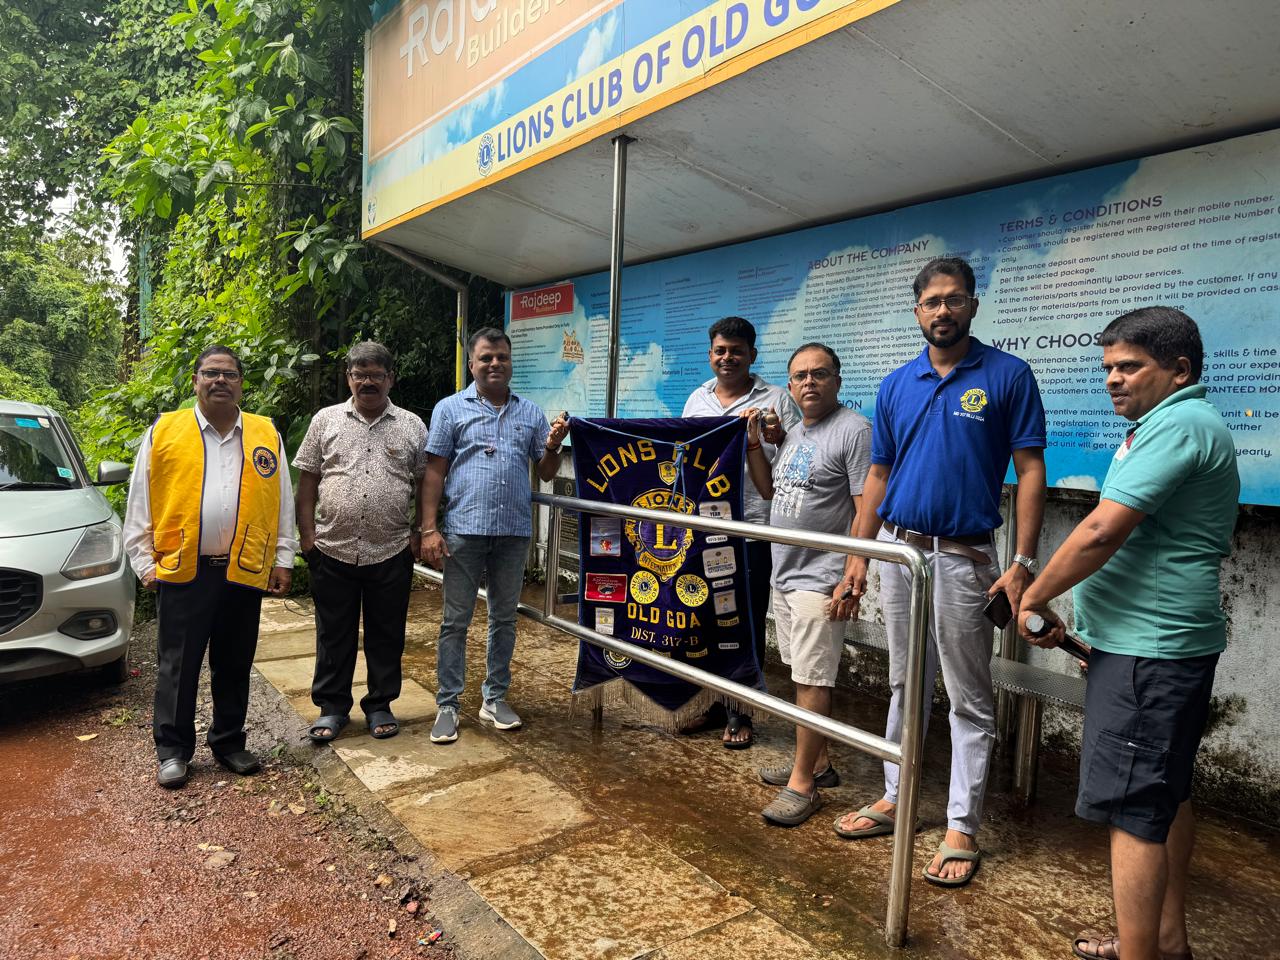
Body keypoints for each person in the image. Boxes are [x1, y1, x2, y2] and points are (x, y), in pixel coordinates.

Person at [1017, 308, 1237, 960]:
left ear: (1179, 370)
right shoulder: (1171, 424)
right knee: (1165, 795)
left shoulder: (1178, 424)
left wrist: (1034, 594)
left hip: (1151, 651)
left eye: (1130, 366)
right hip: (1146, 646)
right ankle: (1165, 941)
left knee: (1134, 810)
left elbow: (1100, 531)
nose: (1113, 379)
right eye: (1108, 367)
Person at [832, 257, 1047, 887]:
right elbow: (878, 474)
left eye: (954, 299)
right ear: (917, 310)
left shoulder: (1008, 374)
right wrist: (857, 557)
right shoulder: (898, 384)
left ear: (973, 304)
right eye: (932, 301)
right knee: (905, 681)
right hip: (901, 552)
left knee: (967, 695)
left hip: (963, 556)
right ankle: (895, 795)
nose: (943, 310)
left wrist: (1023, 563)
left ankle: (961, 826)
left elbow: (1030, 470)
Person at [124, 345, 297, 789]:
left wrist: (283, 557)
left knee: (235, 662)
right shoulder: (165, 430)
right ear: (196, 380)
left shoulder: (264, 432)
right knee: (177, 665)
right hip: (184, 570)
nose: (220, 380)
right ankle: (173, 750)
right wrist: (142, 560)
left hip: (244, 568)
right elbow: (141, 497)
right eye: (211, 373)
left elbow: (282, 500)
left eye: (229, 374)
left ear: (241, 383)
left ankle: (228, 742)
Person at [741, 342, 871, 826]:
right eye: (799, 376)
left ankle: (803, 784)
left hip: (822, 576)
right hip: (786, 572)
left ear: (837, 380)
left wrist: (853, 571)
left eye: (819, 373)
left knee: (814, 680)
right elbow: (769, 491)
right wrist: (755, 445)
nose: (809, 382)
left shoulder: (854, 430)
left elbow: (865, 507)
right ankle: (818, 763)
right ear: (790, 386)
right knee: (800, 673)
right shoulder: (795, 431)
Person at [419, 328, 568, 744]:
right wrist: (428, 528)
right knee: (455, 621)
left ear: (511, 361)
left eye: (502, 356)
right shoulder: (450, 409)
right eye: (486, 358)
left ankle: (495, 697)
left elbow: (546, 472)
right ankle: (448, 704)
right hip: (464, 531)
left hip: (513, 533)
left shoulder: (531, 413)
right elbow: (434, 472)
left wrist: (553, 445)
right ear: (472, 364)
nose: (495, 364)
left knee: (504, 618)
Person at [294, 342, 427, 743]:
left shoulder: (412, 426)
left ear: (391, 378)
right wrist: (307, 536)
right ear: (348, 378)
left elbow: (426, 483)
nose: (368, 382)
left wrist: (420, 531)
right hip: (332, 548)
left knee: (387, 633)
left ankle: (380, 704)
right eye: (360, 374)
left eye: (376, 374)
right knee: (334, 633)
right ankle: (332, 707)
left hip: (391, 549)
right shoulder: (325, 420)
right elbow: (308, 480)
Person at [680, 315, 800, 749]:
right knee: (707, 619)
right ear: (710, 354)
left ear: (752, 355)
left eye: (736, 351)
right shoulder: (697, 399)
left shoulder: (777, 399)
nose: (727, 358)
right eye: (720, 350)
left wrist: (773, 433)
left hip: (751, 530)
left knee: (744, 622)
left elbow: (793, 456)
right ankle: (712, 702)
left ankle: (740, 710)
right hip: (705, 527)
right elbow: (683, 457)